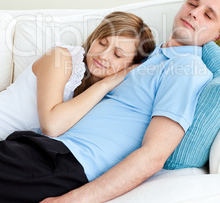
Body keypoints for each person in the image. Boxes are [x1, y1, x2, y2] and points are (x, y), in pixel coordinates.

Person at [6, 0, 220, 203]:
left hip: (64, 162)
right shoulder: (146, 56)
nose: (195, 13)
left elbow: (154, 155)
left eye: (208, 14)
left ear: (219, 34)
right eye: (193, 4)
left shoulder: (187, 71)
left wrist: (72, 201)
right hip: (33, 145)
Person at [0, 11, 155, 140]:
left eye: (117, 55)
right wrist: (106, 84)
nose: (103, 55)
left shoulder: (115, 94)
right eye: (102, 43)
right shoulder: (60, 58)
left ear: (130, 66)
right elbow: (51, 126)